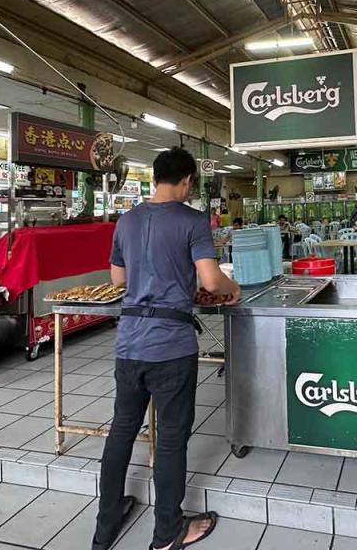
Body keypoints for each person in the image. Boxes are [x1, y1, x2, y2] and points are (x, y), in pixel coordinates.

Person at [93, 148, 241, 550]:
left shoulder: (127, 220)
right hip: (171, 348)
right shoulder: (193, 221)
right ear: (188, 180)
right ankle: (168, 532)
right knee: (172, 438)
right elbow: (211, 281)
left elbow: (118, 278)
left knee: (121, 432)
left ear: (155, 177)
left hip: (129, 344)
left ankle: (105, 527)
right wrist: (233, 288)